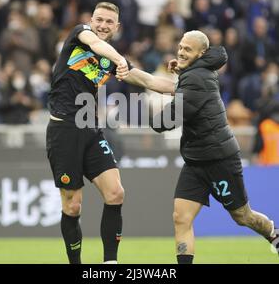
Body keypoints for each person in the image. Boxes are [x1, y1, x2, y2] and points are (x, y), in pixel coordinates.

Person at [118, 30, 279, 264]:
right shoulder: (194, 73)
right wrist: (122, 69)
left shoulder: (196, 79)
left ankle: (274, 234)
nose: (181, 52)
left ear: (201, 54)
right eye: (181, 47)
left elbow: (165, 122)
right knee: (181, 218)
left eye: (188, 49)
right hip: (195, 161)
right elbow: (152, 81)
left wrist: (148, 113)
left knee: (243, 217)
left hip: (219, 160)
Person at [46, 2, 175, 264]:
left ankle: (110, 264)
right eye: (99, 20)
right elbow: (97, 46)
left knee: (116, 193)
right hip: (63, 131)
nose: (103, 25)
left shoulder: (112, 59)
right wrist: (119, 60)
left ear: (117, 27)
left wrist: (188, 85)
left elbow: (149, 81)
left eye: (109, 22)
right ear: (90, 20)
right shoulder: (80, 35)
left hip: (90, 129)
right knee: (72, 205)